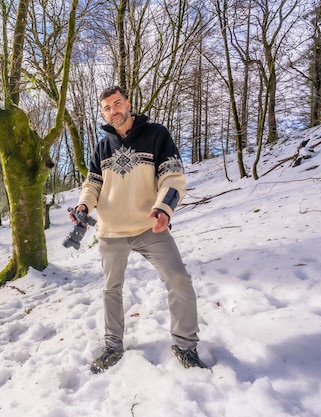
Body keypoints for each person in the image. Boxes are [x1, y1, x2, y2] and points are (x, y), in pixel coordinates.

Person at [71, 85, 207, 373]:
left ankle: (185, 347)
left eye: (117, 103)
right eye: (107, 107)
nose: (113, 111)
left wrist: (164, 208)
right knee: (111, 290)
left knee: (179, 279)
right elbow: (92, 184)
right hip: (110, 231)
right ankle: (112, 346)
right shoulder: (102, 145)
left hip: (150, 226)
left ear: (128, 103)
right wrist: (84, 206)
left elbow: (172, 176)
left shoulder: (157, 134)